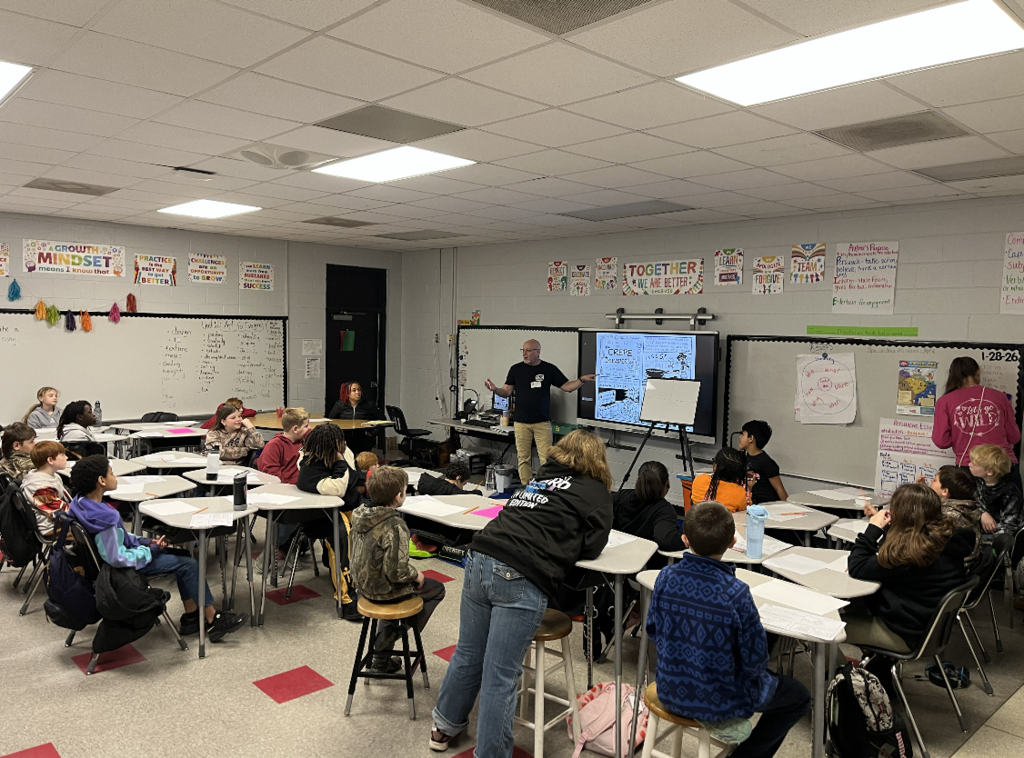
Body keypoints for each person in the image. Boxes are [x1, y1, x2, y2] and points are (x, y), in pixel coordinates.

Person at [430, 429, 613, 754]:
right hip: (521, 573)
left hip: (480, 557)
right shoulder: (596, 491)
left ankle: (443, 728)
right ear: (597, 460)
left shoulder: (543, 475)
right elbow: (594, 545)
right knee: (501, 676)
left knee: (468, 654)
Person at [646, 500, 809, 758]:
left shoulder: (665, 577)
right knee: (798, 697)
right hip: (717, 699)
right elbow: (755, 660)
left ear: (685, 539)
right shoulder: (736, 593)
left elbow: (653, 629)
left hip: (669, 688)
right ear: (733, 543)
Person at [68, 455, 246, 641]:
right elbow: (116, 557)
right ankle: (212, 618)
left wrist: (144, 542)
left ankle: (191, 616)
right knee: (188, 564)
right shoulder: (104, 518)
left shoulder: (82, 504)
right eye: (112, 473)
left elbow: (117, 538)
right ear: (101, 481)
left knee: (184, 555)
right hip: (121, 571)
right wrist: (149, 551)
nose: (116, 477)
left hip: (113, 565)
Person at [846, 483, 975, 656]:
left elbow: (857, 566)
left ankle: (843, 677)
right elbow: (904, 541)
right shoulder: (944, 541)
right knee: (857, 604)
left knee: (826, 625)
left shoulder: (908, 556)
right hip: (927, 630)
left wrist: (874, 529)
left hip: (901, 634)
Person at [351, 465, 447, 674]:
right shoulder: (394, 524)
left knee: (403, 593)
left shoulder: (359, 512)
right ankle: (386, 643)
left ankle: (383, 650)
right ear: (399, 496)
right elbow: (396, 572)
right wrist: (417, 574)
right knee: (436, 589)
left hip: (361, 585)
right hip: (383, 589)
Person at [485, 339, 597, 485]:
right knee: (523, 458)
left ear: (538, 351)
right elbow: (506, 391)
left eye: (528, 351)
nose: (524, 354)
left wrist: (582, 380)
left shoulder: (549, 369)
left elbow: (567, 387)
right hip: (521, 422)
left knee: (547, 458)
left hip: (542, 422)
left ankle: (546, 487)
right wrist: (495, 390)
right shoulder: (516, 369)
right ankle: (526, 486)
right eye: (523, 350)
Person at [297, 423, 362, 621]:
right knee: (341, 536)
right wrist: (340, 462)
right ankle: (345, 596)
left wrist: (342, 461)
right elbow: (338, 488)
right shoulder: (308, 465)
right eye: (338, 445)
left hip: (348, 508)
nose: (343, 446)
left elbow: (354, 477)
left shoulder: (344, 450)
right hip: (321, 516)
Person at [932, 357, 1021, 490]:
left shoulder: (944, 401)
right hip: (1003, 464)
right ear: (978, 372)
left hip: (970, 466)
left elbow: (941, 441)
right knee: (1011, 508)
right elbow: (1014, 437)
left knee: (973, 509)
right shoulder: (999, 396)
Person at [613, 460, 683, 567]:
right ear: (667, 483)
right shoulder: (664, 510)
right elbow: (666, 540)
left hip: (615, 563)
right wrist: (686, 537)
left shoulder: (620, 497)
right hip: (645, 570)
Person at [21, 440, 69, 536]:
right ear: (50, 460)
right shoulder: (40, 487)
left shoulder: (53, 476)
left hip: (59, 521)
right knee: (97, 531)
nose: (66, 457)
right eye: (62, 455)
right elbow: (59, 514)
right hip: (51, 527)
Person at [257, 407, 310, 485]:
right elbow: (271, 476)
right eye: (306, 426)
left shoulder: (304, 441)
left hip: (302, 485)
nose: (309, 428)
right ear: (295, 429)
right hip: (286, 488)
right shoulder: (274, 445)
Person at [738, 420, 788, 503]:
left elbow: (779, 488)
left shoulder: (766, 462)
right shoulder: (744, 457)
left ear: (751, 439)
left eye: (743, 434)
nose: (740, 437)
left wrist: (788, 507)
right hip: (751, 502)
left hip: (766, 505)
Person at [327, 381, 383, 455]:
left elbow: (382, 420)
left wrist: (372, 433)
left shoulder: (369, 404)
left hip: (364, 437)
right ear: (347, 393)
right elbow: (330, 420)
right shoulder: (340, 404)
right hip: (345, 437)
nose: (357, 392)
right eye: (354, 390)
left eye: (359, 390)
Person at [691, 447, 748, 513]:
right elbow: (745, 512)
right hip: (724, 523)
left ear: (715, 466)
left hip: (697, 522)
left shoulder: (699, 480)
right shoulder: (740, 493)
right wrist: (749, 488)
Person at [416, 461, 482, 497]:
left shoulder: (428, 482)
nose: (462, 488)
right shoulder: (451, 490)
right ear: (458, 478)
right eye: (464, 484)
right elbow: (476, 494)